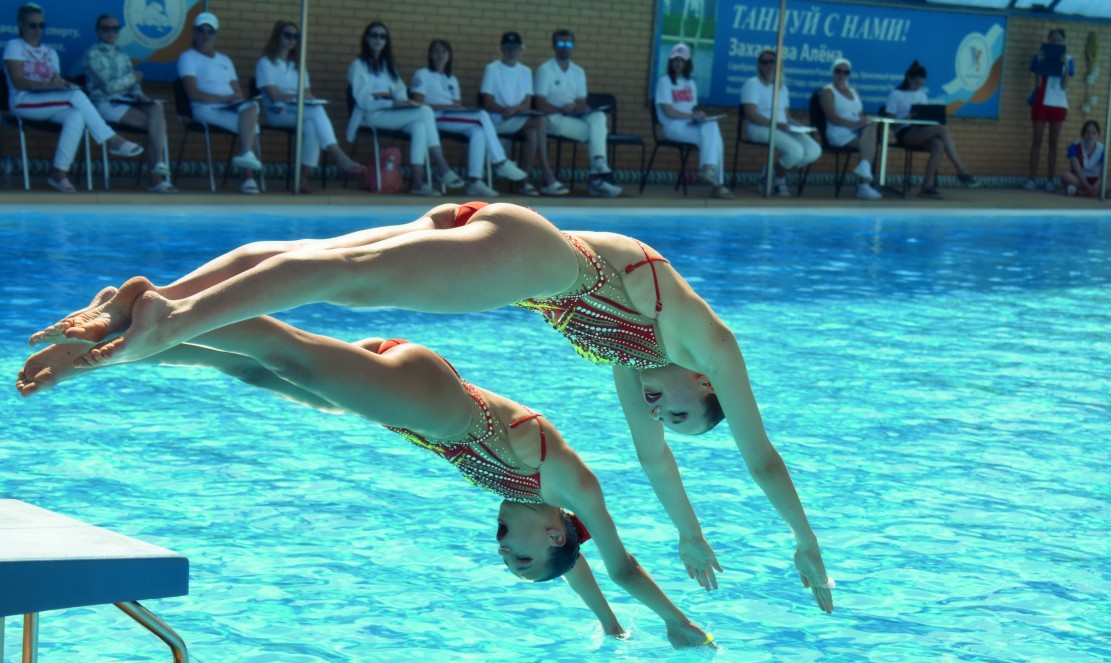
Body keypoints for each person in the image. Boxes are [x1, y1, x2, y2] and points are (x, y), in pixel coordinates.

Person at [30, 202, 835, 614]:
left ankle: (143, 304)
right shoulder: (702, 338)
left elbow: (653, 463)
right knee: (343, 278)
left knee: (308, 263)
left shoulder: (633, 367)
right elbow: (760, 455)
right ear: (706, 386)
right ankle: (171, 319)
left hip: (496, 246)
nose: (665, 414)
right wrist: (805, 540)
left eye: (669, 419)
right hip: (535, 257)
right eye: (686, 411)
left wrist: (690, 534)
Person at [16, 299, 712, 649]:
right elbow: (613, 562)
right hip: (436, 403)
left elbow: (581, 570)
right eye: (521, 553)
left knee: (251, 368)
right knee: (284, 352)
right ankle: (154, 313)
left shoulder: (543, 510)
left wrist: (612, 629)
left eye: (507, 558)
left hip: (407, 404)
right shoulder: (572, 487)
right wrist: (681, 625)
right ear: (558, 530)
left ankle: (109, 347)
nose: (504, 548)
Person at [3, 2, 143, 193]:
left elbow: (55, 81)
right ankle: (112, 139)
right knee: (76, 96)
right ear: (21, 25)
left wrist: (59, 84)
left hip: (47, 103)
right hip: (22, 101)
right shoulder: (14, 46)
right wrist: (49, 86)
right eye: (32, 25)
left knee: (76, 115)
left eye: (41, 25)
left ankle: (58, 173)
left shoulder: (50, 53)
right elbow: (18, 82)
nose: (37, 30)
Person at [346, 22, 465, 196]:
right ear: (366, 38)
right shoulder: (359, 65)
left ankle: (417, 182)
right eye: (374, 35)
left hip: (391, 112)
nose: (378, 39)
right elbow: (364, 101)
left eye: (382, 36)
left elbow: (400, 92)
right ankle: (442, 166)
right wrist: (392, 104)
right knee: (425, 111)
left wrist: (404, 102)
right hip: (370, 115)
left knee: (420, 126)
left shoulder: (389, 66)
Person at [255, 21, 364, 193]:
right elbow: (274, 96)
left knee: (313, 123)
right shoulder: (266, 63)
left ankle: (303, 179)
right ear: (278, 36)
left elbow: (308, 94)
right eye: (287, 35)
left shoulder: (298, 65)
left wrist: (311, 100)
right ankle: (339, 156)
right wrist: (299, 97)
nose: (292, 40)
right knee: (314, 113)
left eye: (295, 36)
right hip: (277, 111)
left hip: (299, 111)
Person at [410, 39, 528, 198]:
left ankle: (474, 181)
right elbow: (418, 103)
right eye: (436, 52)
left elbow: (457, 105)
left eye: (444, 52)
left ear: (449, 55)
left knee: (478, 131)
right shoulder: (423, 74)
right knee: (481, 116)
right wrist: (449, 107)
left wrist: (455, 108)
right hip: (433, 118)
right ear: (430, 55)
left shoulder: (451, 79)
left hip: (451, 118)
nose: (440, 55)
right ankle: (500, 162)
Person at [83, 13, 175, 192]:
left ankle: (158, 167)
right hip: (105, 103)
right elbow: (108, 87)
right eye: (105, 29)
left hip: (126, 101)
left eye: (114, 29)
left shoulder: (122, 54)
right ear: (98, 31)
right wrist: (133, 78)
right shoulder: (91, 54)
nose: (110, 32)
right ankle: (157, 176)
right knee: (156, 126)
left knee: (156, 107)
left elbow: (133, 86)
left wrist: (139, 94)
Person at [177, 12, 263, 194]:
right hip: (204, 109)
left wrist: (238, 99)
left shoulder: (225, 60)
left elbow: (237, 90)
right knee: (252, 128)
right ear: (194, 32)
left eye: (210, 31)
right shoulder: (188, 57)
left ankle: (245, 155)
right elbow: (193, 94)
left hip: (230, 107)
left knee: (252, 107)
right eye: (201, 30)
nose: (205, 35)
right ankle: (247, 177)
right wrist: (226, 99)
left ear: (216, 34)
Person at [534, 29, 622, 198]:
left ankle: (598, 163)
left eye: (568, 44)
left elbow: (581, 100)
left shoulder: (578, 71)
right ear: (553, 45)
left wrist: (578, 108)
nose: (564, 47)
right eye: (560, 43)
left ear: (573, 46)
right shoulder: (545, 70)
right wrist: (562, 108)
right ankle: (597, 181)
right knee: (596, 133)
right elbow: (540, 104)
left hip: (573, 117)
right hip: (552, 118)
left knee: (598, 117)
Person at [480, 31, 569, 196]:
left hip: (517, 118)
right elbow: (487, 101)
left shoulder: (525, 71)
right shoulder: (492, 69)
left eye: (515, 48)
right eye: (507, 48)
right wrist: (504, 110)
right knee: (538, 122)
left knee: (533, 132)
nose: (511, 52)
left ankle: (525, 181)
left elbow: (527, 102)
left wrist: (513, 110)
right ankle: (544, 175)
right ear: (501, 49)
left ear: (520, 50)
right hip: (496, 122)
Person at [883, 60, 978, 200]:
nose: (917, 87)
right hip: (904, 132)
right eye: (915, 84)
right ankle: (960, 169)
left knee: (938, 145)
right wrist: (906, 118)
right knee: (942, 129)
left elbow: (925, 118)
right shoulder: (896, 94)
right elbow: (890, 124)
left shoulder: (922, 95)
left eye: (920, 85)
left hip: (920, 130)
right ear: (909, 79)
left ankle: (926, 187)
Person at [739, 49, 820, 198]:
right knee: (795, 151)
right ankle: (779, 179)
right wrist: (776, 124)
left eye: (773, 62)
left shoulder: (782, 88)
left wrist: (799, 126)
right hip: (760, 128)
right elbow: (751, 114)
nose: (769, 65)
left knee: (814, 150)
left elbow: (786, 116)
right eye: (765, 62)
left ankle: (772, 170)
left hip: (782, 127)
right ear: (759, 66)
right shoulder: (752, 84)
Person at [656, 43, 732, 199]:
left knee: (712, 126)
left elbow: (692, 108)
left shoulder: (690, 83)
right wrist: (692, 116)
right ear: (670, 62)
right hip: (673, 128)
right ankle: (717, 184)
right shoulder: (664, 82)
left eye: (681, 60)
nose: (678, 63)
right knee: (714, 141)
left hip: (690, 126)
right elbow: (668, 112)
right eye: (675, 60)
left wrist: (699, 114)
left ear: (687, 63)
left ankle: (709, 170)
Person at [819, 58, 881, 201]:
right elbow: (832, 117)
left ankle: (864, 168)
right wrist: (854, 125)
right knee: (869, 144)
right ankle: (863, 185)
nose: (842, 74)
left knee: (871, 128)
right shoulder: (827, 91)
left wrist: (863, 120)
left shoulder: (853, 92)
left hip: (856, 130)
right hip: (838, 132)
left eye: (846, 72)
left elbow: (859, 113)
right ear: (833, 72)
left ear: (849, 74)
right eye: (838, 71)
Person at [1025, 29, 1074, 192]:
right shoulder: (1038, 56)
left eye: (1059, 40)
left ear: (1063, 42)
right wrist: (1040, 64)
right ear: (1048, 40)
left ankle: (1050, 180)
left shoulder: (1068, 59)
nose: (1056, 42)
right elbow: (1038, 83)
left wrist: (1065, 66)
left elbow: (1064, 85)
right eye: (1053, 39)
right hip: (1041, 101)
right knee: (1036, 139)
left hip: (1058, 104)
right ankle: (1031, 179)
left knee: (1053, 142)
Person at [1059, 119, 1111, 198]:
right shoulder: (1074, 146)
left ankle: (1081, 193)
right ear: (1083, 134)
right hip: (1080, 179)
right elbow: (1078, 171)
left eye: (1093, 133)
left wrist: (1094, 187)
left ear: (1098, 135)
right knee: (1064, 175)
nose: (1090, 135)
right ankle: (1101, 193)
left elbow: (1102, 173)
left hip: (1097, 181)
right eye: (1087, 132)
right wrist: (1089, 188)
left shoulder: (1102, 149)